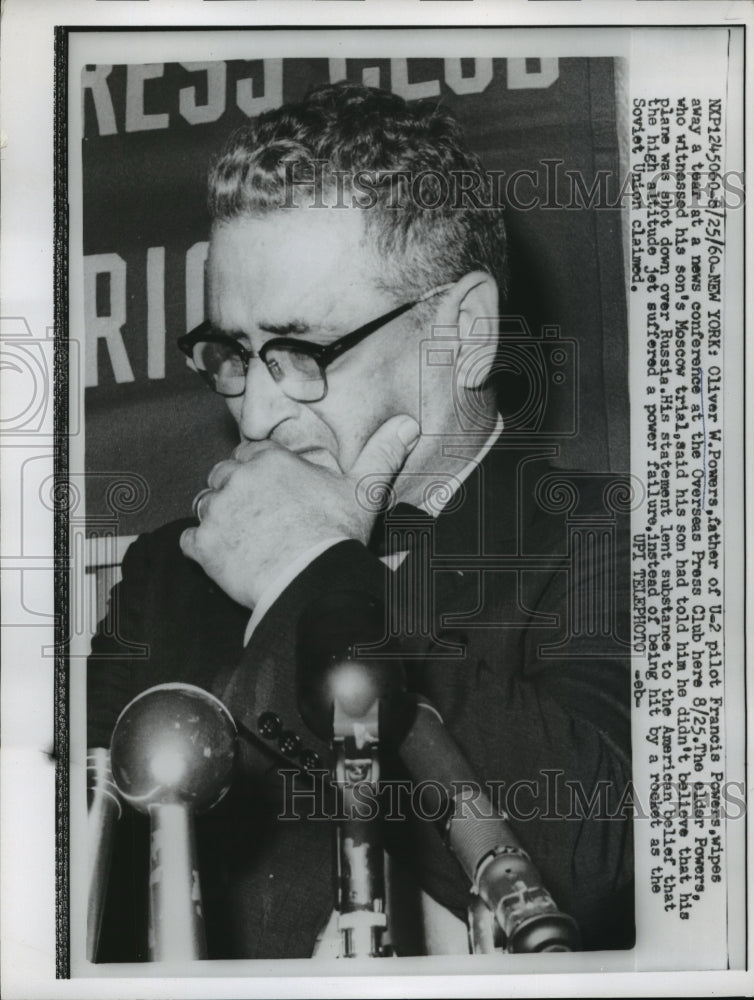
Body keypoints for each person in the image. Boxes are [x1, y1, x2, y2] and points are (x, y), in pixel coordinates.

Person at [88, 81, 633, 960]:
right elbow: (64, 902)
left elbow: (606, 864)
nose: (258, 415)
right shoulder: (168, 574)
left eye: (302, 352)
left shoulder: (618, 539)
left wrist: (309, 572)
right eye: (234, 353)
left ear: (466, 332)